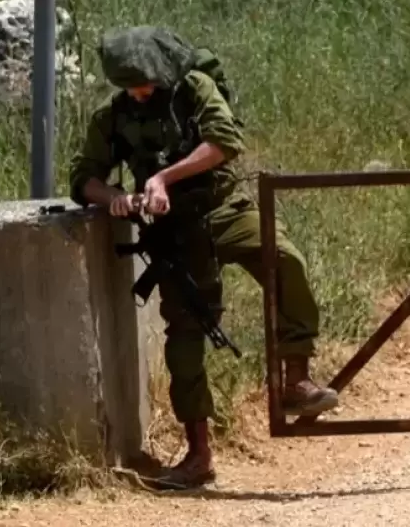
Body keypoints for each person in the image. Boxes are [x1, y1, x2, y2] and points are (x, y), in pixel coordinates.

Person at [68, 25, 338, 490]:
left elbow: (224, 140)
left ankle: (296, 378)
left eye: (144, 81)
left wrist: (164, 179)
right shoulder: (113, 116)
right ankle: (198, 454)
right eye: (129, 84)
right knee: (184, 337)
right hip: (175, 233)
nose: (138, 91)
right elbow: (82, 176)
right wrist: (115, 197)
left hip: (223, 208)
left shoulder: (194, 89)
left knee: (285, 260)